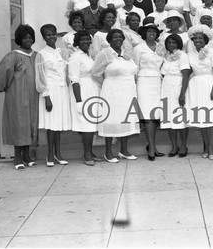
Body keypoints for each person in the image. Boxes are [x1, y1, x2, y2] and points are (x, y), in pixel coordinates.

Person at [0, 25, 39, 170]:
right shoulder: (13, 55)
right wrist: (4, 87)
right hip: (17, 96)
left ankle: (27, 155)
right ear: (19, 39)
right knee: (19, 125)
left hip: (33, 96)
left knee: (30, 125)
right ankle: (17, 157)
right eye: (25, 37)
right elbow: (2, 75)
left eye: (30, 37)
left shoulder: (36, 55)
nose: (28, 40)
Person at [91, 29, 139, 162]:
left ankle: (124, 150)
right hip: (112, 92)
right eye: (115, 37)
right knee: (112, 119)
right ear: (109, 40)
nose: (118, 39)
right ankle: (108, 152)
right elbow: (96, 74)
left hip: (128, 92)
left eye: (120, 37)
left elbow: (133, 71)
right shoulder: (104, 53)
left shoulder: (127, 53)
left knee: (126, 119)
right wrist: (108, 83)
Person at [35, 24, 72, 167]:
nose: (51, 37)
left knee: (58, 125)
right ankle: (49, 154)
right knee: (51, 126)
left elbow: (66, 71)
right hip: (50, 91)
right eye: (48, 35)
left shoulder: (61, 52)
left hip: (62, 90)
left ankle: (58, 154)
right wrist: (47, 97)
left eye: (53, 34)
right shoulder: (41, 54)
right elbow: (40, 77)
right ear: (44, 37)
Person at [186, 25, 213, 160]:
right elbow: (187, 72)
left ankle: (212, 147)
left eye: (200, 38)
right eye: (195, 38)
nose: (197, 41)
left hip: (210, 84)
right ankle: (205, 146)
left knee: (211, 118)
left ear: (205, 40)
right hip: (196, 86)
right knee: (201, 117)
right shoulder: (189, 54)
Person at [134, 17, 165, 161]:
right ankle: (151, 148)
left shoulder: (161, 47)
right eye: (149, 31)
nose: (151, 33)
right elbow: (135, 67)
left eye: (153, 31)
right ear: (144, 33)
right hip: (144, 82)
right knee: (148, 116)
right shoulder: (139, 48)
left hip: (158, 82)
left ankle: (152, 145)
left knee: (156, 116)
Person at [68, 30, 101, 165]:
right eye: (82, 40)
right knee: (86, 124)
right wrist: (79, 101)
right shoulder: (75, 57)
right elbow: (74, 80)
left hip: (93, 89)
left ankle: (91, 151)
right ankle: (87, 154)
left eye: (88, 39)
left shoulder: (89, 56)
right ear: (77, 42)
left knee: (92, 123)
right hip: (82, 91)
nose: (85, 42)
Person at [160, 34, 191, 157]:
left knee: (181, 118)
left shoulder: (183, 56)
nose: (171, 45)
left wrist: (182, 93)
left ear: (178, 44)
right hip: (166, 87)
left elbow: (186, 75)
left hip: (177, 87)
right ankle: (174, 145)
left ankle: (183, 145)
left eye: (174, 42)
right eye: (169, 43)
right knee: (169, 118)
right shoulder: (165, 56)